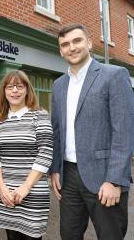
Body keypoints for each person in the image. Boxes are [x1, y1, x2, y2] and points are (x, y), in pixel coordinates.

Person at [50, 24, 134, 240]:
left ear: (88, 42)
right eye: (65, 44)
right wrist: (55, 169)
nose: (71, 48)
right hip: (68, 177)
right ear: (60, 51)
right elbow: (57, 131)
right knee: (68, 235)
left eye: (77, 41)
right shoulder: (59, 85)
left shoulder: (114, 75)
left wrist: (115, 180)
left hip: (104, 177)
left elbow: (124, 131)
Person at [0, 70, 53, 240]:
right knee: (11, 237)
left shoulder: (40, 116)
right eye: (9, 87)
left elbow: (45, 153)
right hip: (6, 194)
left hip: (32, 193)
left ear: (27, 90)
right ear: (4, 91)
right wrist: (1, 187)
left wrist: (25, 188)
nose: (14, 91)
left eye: (19, 86)